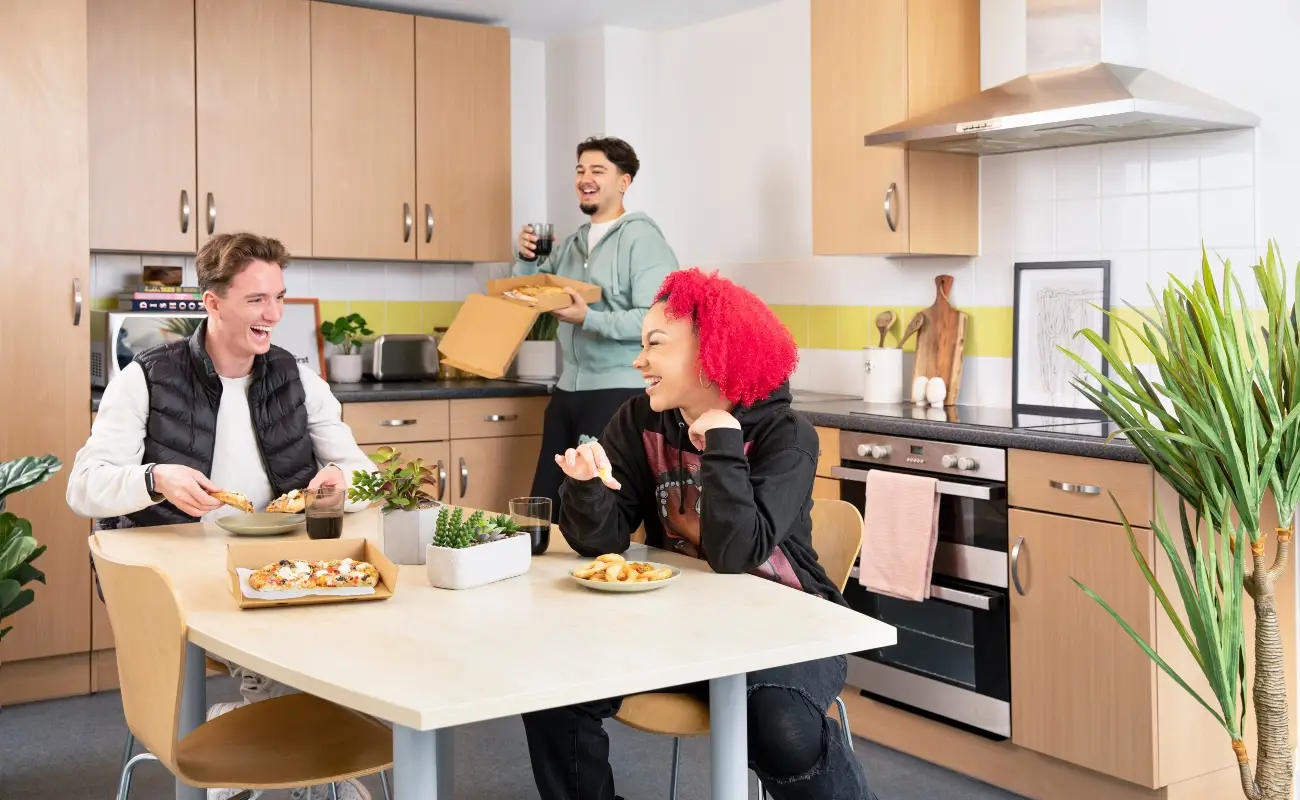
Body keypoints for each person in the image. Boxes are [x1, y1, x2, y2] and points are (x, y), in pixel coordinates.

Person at [520, 268, 880, 800]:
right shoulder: (638, 420)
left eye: (655, 345)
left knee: (780, 725)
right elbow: (603, 544)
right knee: (549, 684)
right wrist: (588, 487)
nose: (639, 360)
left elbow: (738, 552)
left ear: (713, 354)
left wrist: (723, 443)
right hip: (679, 624)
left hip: (786, 626)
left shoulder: (787, 435)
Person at [67, 231, 378, 800]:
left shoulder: (297, 379)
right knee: (278, 631)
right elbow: (82, 488)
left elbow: (365, 475)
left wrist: (338, 485)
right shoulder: (145, 378)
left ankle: (275, 729)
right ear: (212, 303)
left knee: (339, 615)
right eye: (257, 300)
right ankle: (287, 737)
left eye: (279, 297)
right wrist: (153, 479)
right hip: (179, 574)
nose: (274, 314)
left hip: (274, 564)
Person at [513, 135, 679, 521]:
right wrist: (524, 259)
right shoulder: (571, 244)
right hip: (568, 390)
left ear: (624, 181)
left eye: (598, 170)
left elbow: (657, 317)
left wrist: (590, 318)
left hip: (617, 393)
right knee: (548, 506)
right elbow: (526, 293)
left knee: (596, 507)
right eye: (580, 170)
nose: (586, 178)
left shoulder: (642, 239)